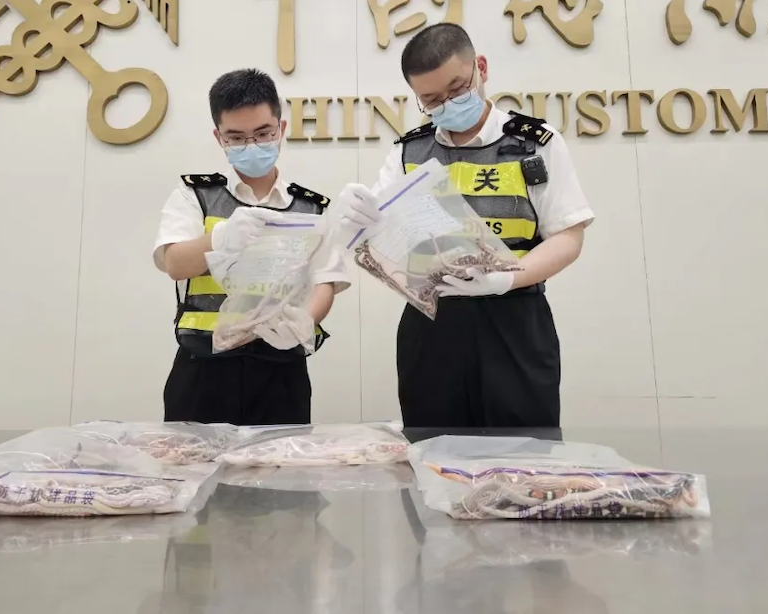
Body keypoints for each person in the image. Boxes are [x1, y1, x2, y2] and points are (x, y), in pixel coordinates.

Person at [336, 23, 593, 428]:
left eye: (457, 89)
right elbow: (380, 232)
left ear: (481, 68)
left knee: (524, 457)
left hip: (515, 322)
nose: (448, 104)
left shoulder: (534, 143)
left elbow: (568, 236)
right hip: (433, 325)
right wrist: (357, 218)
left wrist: (507, 279)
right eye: (432, 99)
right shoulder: (409, 151)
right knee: (432, 454)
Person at [153, 68, 349, 426]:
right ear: (219, 138)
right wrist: (219, 239)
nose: (252, 145)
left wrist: (306, 319)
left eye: (263, 133)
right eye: (237, 137)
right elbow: (174, 264)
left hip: (281, 370)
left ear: (281, 129)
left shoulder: (310, 207)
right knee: (195, 476)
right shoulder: (195, 196)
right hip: (203, 369)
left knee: (280, 477)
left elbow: (326, 281)